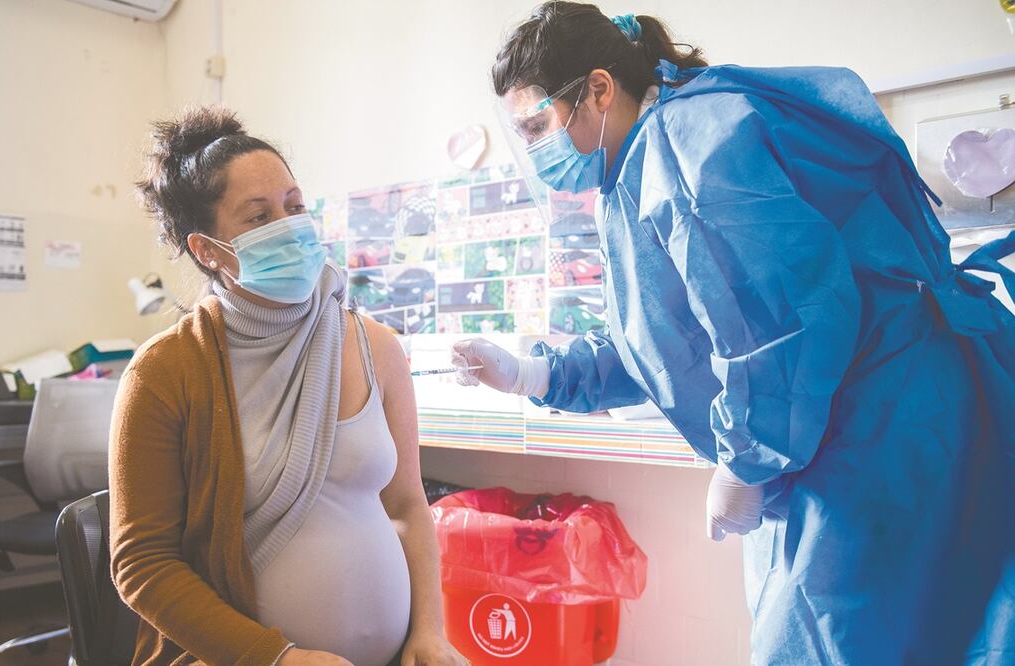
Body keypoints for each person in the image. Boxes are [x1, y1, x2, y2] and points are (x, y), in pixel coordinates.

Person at [452, 3, 1015, 664]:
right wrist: (532, 374)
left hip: (879, 422)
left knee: (852, 638)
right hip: (853, 418)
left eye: (536, 125)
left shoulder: (688, 141)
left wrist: (748, 458)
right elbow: (667, 339)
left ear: (599, 89)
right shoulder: (644, 164)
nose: (533, 150)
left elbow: (782, 322)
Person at [111, 107, 467, 666]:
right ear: (206, 249)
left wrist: (429, 632)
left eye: (294, 207)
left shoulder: (376, 347)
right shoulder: (164, 372)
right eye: (258, 217)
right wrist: (273, 658)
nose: (290, 226)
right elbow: (142, 563)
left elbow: (407, 505)